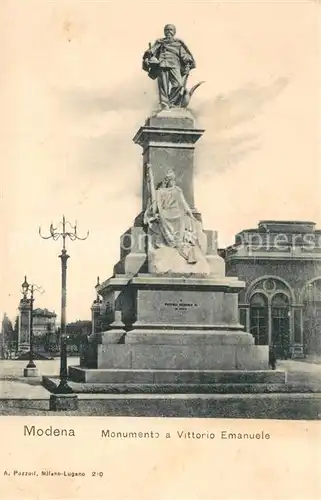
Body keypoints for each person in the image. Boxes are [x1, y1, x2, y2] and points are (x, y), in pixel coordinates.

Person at [144, 169, 199, 263]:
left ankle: (179, 245)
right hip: (165, 214)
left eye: (173, 180)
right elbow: (156, 205)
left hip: (176, 213)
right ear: (167, 181)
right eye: (170, 180)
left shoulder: (177, 190)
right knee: (166, 218)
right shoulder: (160, 192)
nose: (172, 182)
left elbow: (184, 204)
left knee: (181, 218)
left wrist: (191, 214)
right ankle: (178, 247)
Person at [142, 24, 196, 109]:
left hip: (174, 65)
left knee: (178, 84)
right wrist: (148, 54)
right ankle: (164, 103)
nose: (168, 32)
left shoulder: (178, 44)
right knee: (163, 87)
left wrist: (188, 61)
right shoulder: (159, 42)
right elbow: (152, 51)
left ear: (174, 32)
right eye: (166, 30)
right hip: (162, 65)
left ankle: (172, 103)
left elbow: (184, 55)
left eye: (170, 30)